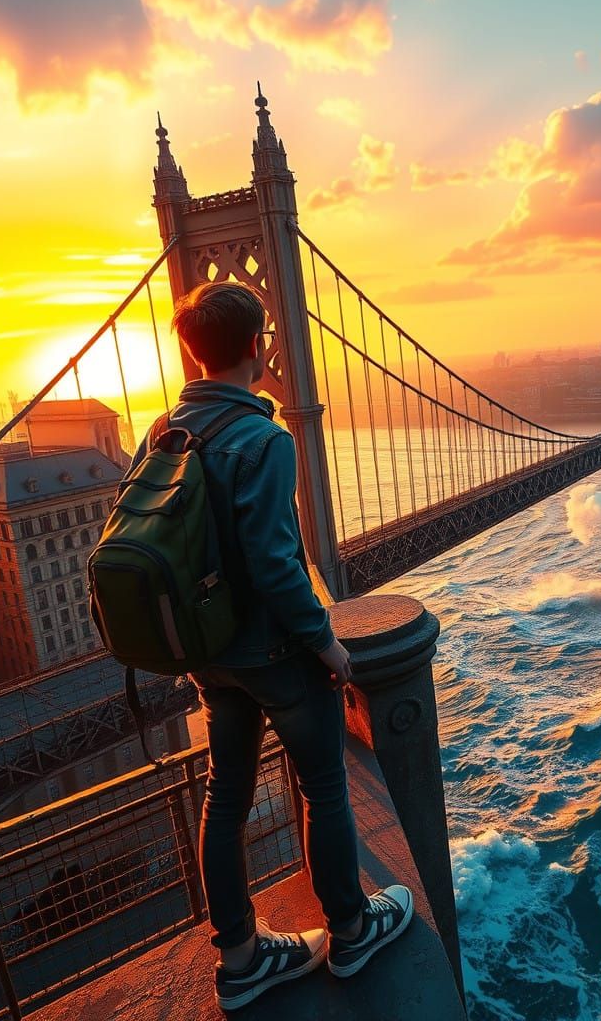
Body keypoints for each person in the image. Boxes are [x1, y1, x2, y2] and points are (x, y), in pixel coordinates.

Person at [127, 281, 413, 1010]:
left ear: (192, 350)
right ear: (259, 347)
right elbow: (276, 563)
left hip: (208, 656)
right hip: (275, 658)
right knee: (324, 787)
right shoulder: (266, 437)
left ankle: (243, 959)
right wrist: (327, 647)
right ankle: (350, 932)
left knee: (225, 797)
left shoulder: (163, 428)